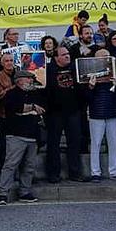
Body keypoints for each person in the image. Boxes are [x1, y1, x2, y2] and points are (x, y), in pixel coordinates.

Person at [0, 70, 45, 205]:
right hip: (15, 135)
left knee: (29, 166)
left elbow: (42, 109)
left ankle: (25, 192)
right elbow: (16, 108)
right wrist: (33, 108)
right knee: (11, 165)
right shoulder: (11, 94)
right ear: (19, 80)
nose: (31, 81)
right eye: (28, 78)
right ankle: (3, 193)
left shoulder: (36, 93)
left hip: (32, 135)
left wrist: (28, 109)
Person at [84, 50, 116, 182]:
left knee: (113, 143)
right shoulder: (89, 75)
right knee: (96, 143)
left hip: (112, 112)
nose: (105, 59)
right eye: (102, 57)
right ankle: (95, 172)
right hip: (96, 113)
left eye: (107, 56)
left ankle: (114, 171)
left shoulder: (115, 74)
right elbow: (86, 98)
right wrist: (91, 87)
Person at [45, 47, 89, 183]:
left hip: (73, 112)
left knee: (74, 143)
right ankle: (53, 174)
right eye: (63, 55)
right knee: (53, 144)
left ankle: (75, 173)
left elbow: (82, 89)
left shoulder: (75, 69)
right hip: (54, 113)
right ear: (56, 57)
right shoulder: (48, 70)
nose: (67, 56)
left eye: (68, 54)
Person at [0, 53, 16, 170]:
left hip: (20, 115)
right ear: (2, 63)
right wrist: (14, 87)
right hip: (5, 114)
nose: (10, 62)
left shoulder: (19, 73)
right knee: (5, 146)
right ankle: (4, 172)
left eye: (11, 60)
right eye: (6, 61)